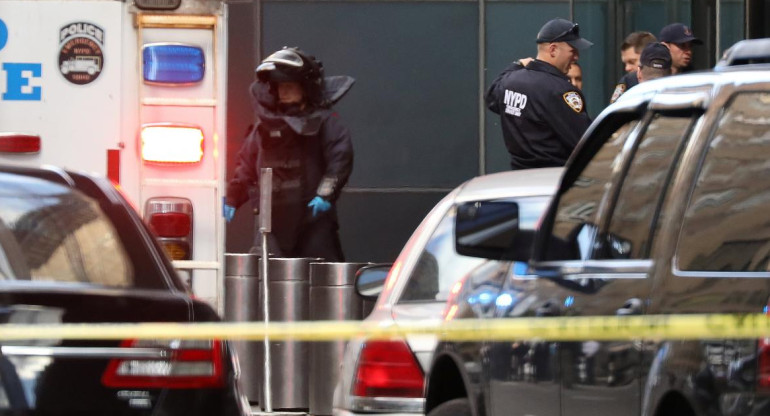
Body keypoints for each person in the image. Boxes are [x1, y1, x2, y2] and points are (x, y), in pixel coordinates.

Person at [224, 47, 355, 261]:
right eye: (280, 87)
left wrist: (325, 194)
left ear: (305, 88)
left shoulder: (325, 121)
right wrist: (233, 198)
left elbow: (340, 159)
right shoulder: (264, 127)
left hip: (313, 220)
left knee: (319, 279)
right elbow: (246, 167)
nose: (283, 92)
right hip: (271, 225)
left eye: (289, 86)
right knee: (267, 277)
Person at [485, 18, 593, 170]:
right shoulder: (561, 90)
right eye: (572, 50)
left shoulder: (510, 80)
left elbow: (491, 98)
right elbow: (585, 142)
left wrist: (516, 65)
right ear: (553, 49)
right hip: (553, 178)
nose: (576, 57)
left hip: (518, 177)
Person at [609, 31, 656, 103]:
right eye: (625, 63)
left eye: (632, 62)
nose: (627, 68)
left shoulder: (672, 80)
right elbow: (613, 110)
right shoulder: (627, 82)